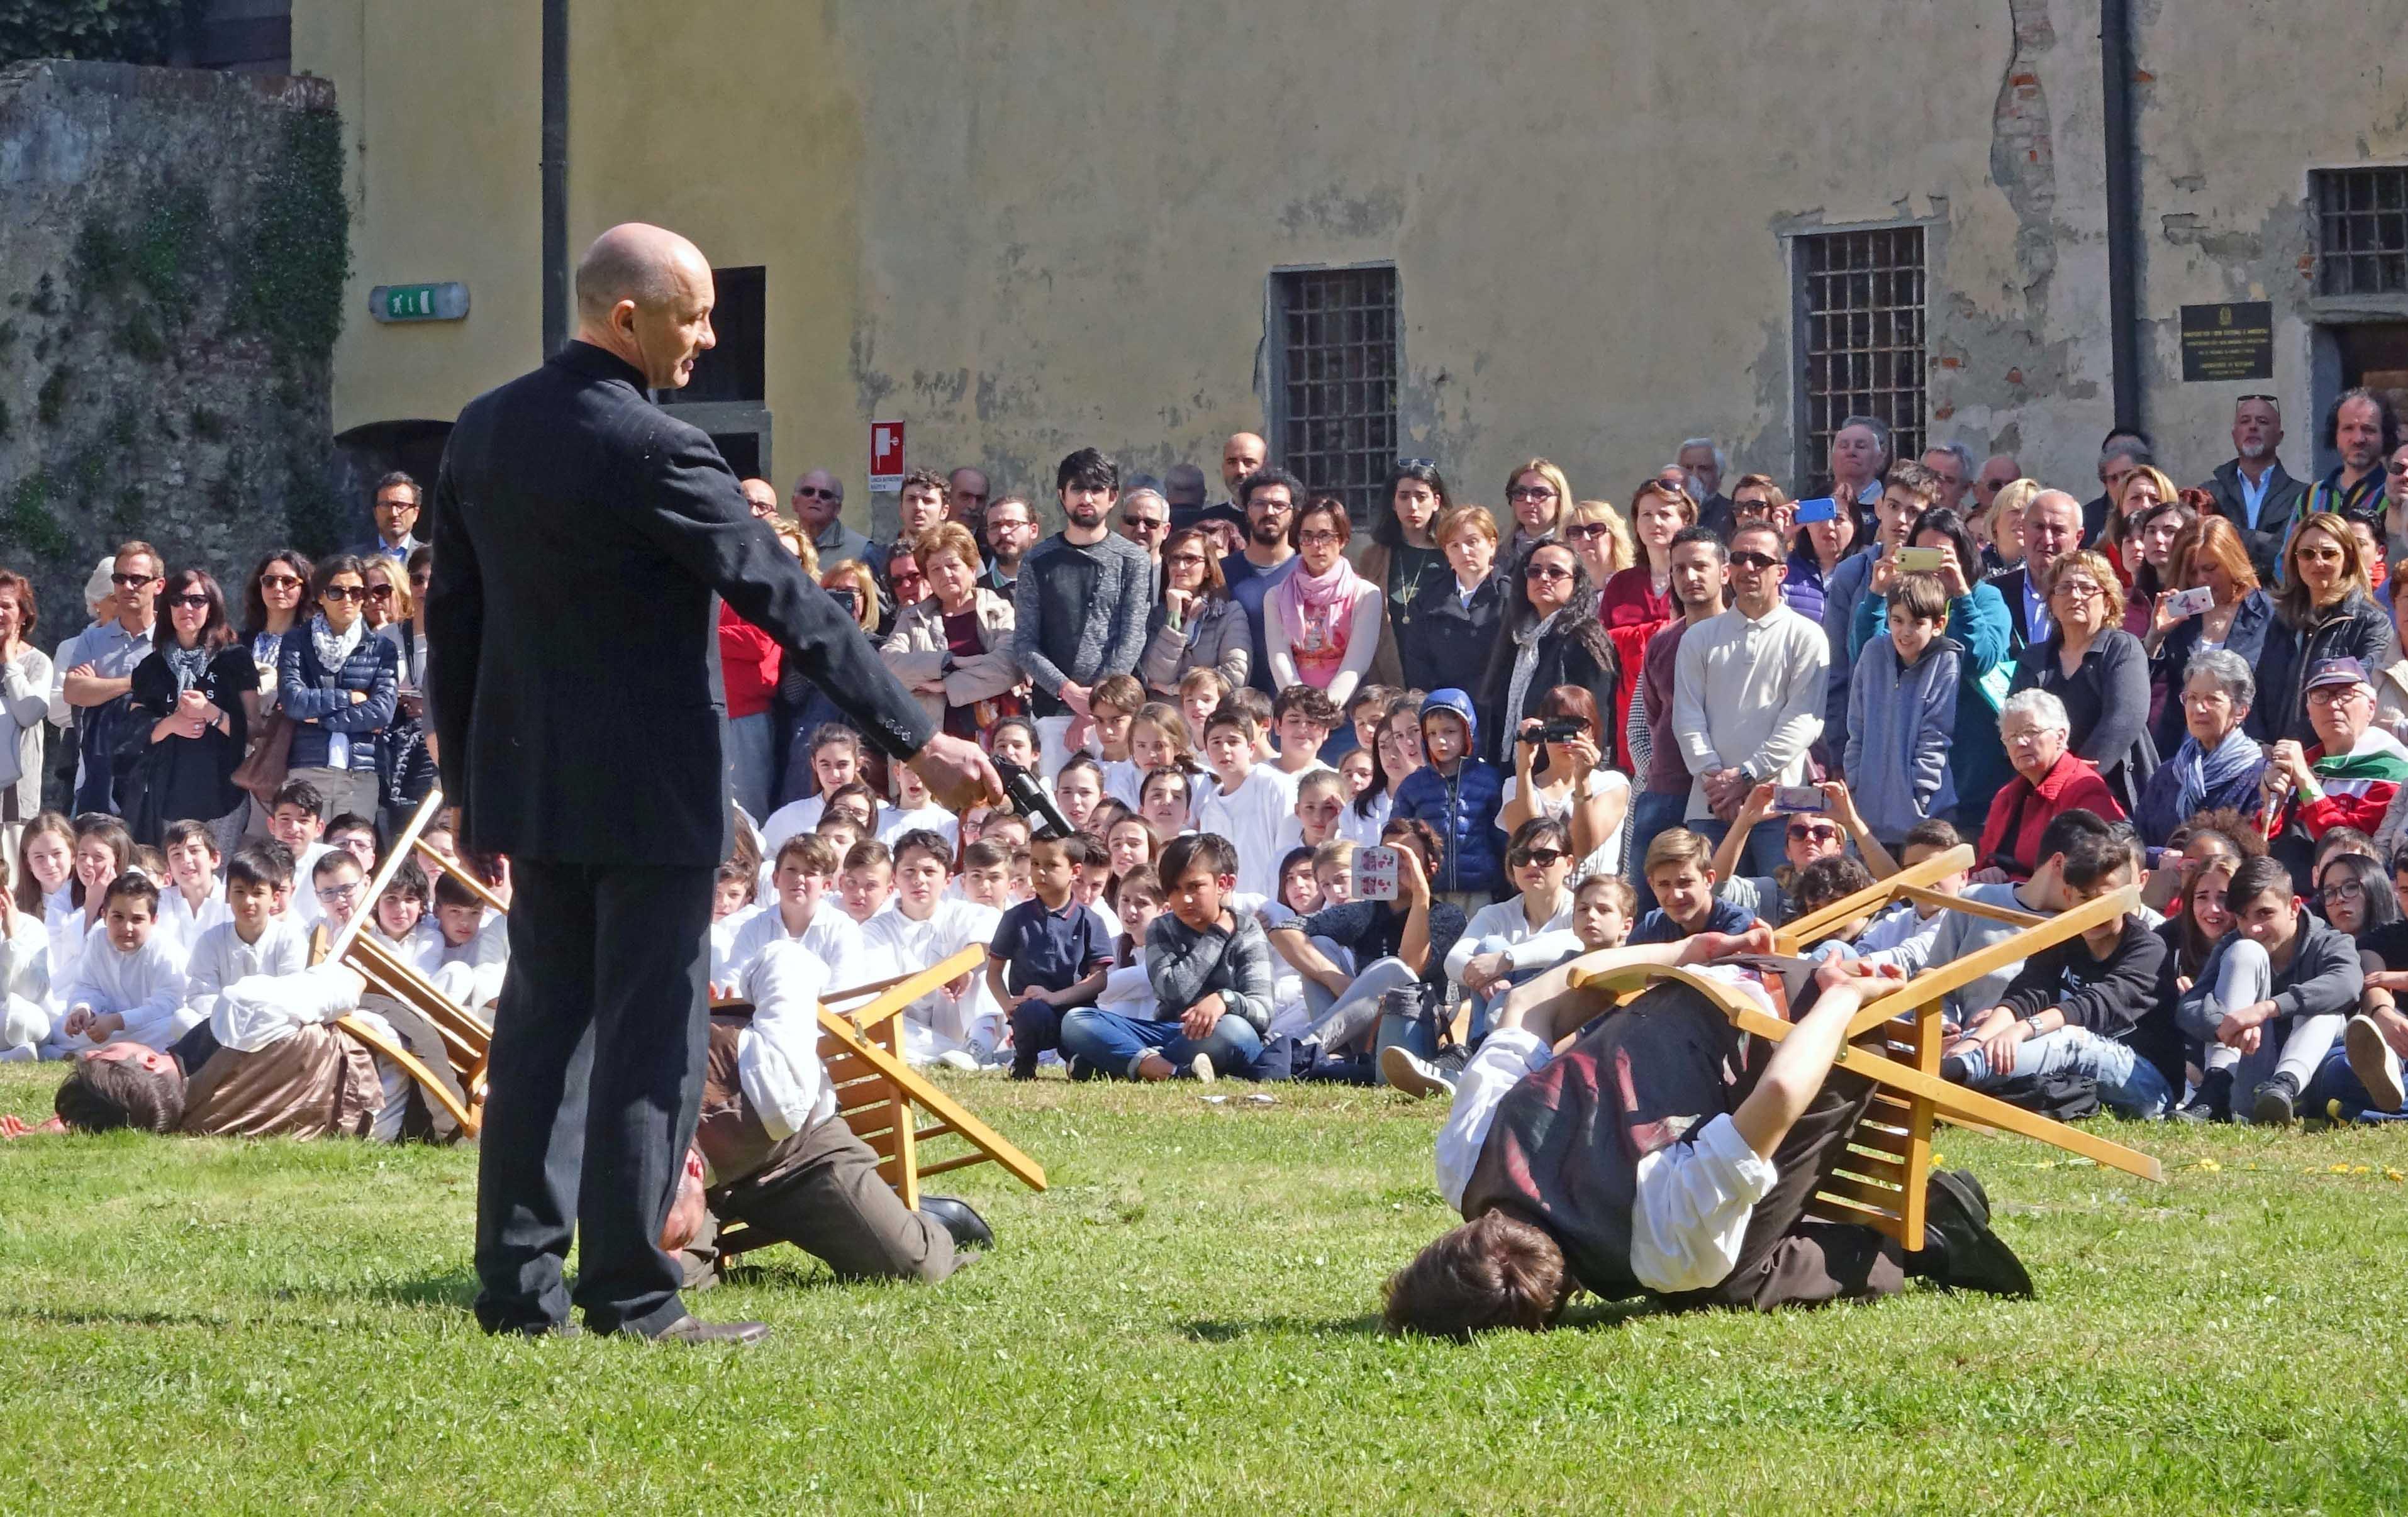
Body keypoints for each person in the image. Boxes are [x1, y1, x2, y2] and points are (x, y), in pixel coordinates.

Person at [427, 223, 999, 1345]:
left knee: (541, 1035)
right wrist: (913, 736)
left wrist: (466, 783)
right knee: (653, 1042)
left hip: (536, 791)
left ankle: (517, 1289)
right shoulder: (657, 449)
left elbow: (453, 623)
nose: (709, 333)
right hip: (649, 798)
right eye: (693, 313)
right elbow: (787, 599)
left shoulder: (484, 431)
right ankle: (635, 1292)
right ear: (626, 318)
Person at [1386, 948, 2029, 1337]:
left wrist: (1843, 1000)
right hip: (1716, 980)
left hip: (1820, 1030)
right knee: (1702, 1239)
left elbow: (1778, 1098)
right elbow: (1532, 1003)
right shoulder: (1466, 1161)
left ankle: (1904, 1245)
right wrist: (1684, 951)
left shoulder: (1660, 1245)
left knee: (1716, 1284)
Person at [683, 938, 988, 1285]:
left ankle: (924, 1217)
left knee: (913, 1267)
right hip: (700, 1180)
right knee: (663, 1283)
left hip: (799, 1156)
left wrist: (746, 991)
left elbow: (788, 959)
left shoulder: (778, 1087)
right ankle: (706, 1263)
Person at [1941, 830, 2175, 1118]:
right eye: (2084, 899)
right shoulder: (2063, 935)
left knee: (2071, 1039)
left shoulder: (2149, 948)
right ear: (2068, 896)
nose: (2094, 912)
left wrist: (2023, 1029)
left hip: (2149, 1084)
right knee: (1994, 1027)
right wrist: (1977, 1040)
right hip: (2080, 1071)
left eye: (2105, 901)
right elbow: (2027, 992)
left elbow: (2095, 1004)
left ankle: (1950, 1078)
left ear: (2127, 898)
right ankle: (1960, 1065)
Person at [1672, 521, 1827, 877]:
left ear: (1782, 572)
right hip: (1709, 806)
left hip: (1782, 807)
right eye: (1740, 558)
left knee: (1782, 909)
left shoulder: (1807, 636)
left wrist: (1746, 775)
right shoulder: (1698, 638)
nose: (1749, 568)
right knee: (1711, 910)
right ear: (1727, 570)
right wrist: (1718, 781)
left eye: (1760, 559)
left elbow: (1803, 721)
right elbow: (1687, 718)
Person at [1846, 507, 2014, 831]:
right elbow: (1867, 655)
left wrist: (1962, 594)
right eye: (1923, 555)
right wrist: (1877, 594)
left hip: (1968, 764)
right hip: (1899, 768)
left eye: (1941, 556)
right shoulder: (1902, 604)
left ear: (1963, 555)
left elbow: (1980, 660)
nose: (1933, 566)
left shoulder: (1985, 597)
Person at [1060, 831, 1271, 1082]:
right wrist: (1216, 937)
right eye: (1175, 890)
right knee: (1077, 1019)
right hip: (1170, 1032)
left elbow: (1263, 1012)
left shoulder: (1247, 929)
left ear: (1223, 884)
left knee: (1235, 1032)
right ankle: (1172, 1071)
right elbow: (1175, 993)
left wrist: (1225, 1001)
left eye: (1195, 887)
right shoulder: (1161, 929)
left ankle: (1127, 1064)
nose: (1185, 899)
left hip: (1222, 1034)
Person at [1269, 818, 1467, 1077]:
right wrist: (1335, 978)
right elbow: (1284, 932)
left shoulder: (1448, 916)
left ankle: (1306, 1046)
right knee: (1319, 945)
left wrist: (1421, 894)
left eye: (1404, 858)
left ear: (1429, 868)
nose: (1394, 866)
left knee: (1394, 969)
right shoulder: (1367, 911)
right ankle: (1334, 1054)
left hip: (1411, 1028)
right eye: (1388, 856)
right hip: (1360, 1028)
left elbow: (1410, 967)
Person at [2177, 854, 2362, 1125]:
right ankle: (2213, 1092)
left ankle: (2283, 1086)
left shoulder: (2329, 942)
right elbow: (2188, 1008)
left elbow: (2348, 983)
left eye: (2265, 913)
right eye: (2243, 917)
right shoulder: (2235, 943)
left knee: (2326, 1012)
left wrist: (2266, 1009)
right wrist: (2227, 1025)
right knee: (2244, 952)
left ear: (2294, 907)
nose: (2253, 928)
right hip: (2243, 1076)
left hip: (2311, 1084)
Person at [1010, 448, 1156, 774]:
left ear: (1113, 497)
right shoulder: (1038, 561)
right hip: (1053, 713)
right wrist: (1067, 691)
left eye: (1096, 489)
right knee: (1059, 812)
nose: (1087, 498)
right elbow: (1025, 644)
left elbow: (1132, 638)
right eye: (1077, 488)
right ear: (1062, 496)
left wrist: (1093, 709)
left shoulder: (1133, 559)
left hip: (1117, 717)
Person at [2007, 549, 2154, 814]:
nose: (2075, 595)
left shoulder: (2122, 648)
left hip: (2111, 795)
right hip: (2042, 796)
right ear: (2051, 602)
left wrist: (2069, 781)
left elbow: (2124, 719)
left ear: (2108, 602)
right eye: (2064, 588)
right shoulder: (2033, 658)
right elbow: (2013, 723)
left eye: (2087, 588)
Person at [1627, 528, 1728, 908]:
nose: (1690, 577)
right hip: (1664, 790)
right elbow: (1650, 716)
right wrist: (1651, 769)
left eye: (1701, 566)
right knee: (1645, 908)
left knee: (1711, 904)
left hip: (1720, 794)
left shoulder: (1743, 637)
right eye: (1680, 568)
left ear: (1724, 572)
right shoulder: (1662, 641)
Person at [128, 566, 257, 857]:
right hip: (168, 799)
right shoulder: (152, 666)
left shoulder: (235, 659)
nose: (187, 607)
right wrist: (172, 724)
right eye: (177, 600)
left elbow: (254, 728)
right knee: (175, 885)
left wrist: (212, 713)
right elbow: (133, 731)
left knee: (216, 886)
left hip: (225, 798)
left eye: (197, 600)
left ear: (212, 607)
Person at [1819, 461, 1939, 756]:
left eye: (1914, 513)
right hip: (1865, 731)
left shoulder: (1940, 575)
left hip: (1924, 730)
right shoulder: (1851, 573)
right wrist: (1837, 749)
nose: (1901, 520)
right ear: (1879, 506)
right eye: (1894, 506)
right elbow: (1837, 667)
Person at [2260, 658, 2408, 889]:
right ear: (2309, 711)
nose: (2333, 705)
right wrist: (2272, 806)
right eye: (2320, 696)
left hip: (2353, 897)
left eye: (2345, 694)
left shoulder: (2391, 770)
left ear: (2371, 706)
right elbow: (2260, 845)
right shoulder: (2302, 763)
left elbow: (2353, 849)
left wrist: (2305, 780)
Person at [276, 555, 399, 825]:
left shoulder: (382, 649)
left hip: (361, 773)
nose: (347, 600)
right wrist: (350, 698)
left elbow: (380, 713)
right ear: (321, 596)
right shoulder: (296, 641)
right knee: (303, 856)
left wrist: (319, 717)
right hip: (307, 768)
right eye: (337, 591)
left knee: (351, 857)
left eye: (356, 592)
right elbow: (294, 701)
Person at [2253, 511, 2395, 747]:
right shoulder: (2282, 619)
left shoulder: (2372, 622)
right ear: (2295, 560)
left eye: (2329, 554)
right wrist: (2261, 744)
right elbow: (2258, 691)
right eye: (2307, 554)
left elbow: (2354, 696)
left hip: (2332, 760)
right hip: (2273, 757)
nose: (2318, 562)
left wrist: (2296, 746)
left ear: (2348, 559)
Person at [2144, 516, 2275, 761]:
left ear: (2231, 561)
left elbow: (2277, 694)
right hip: (2179, 751)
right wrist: (2156, 636)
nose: (2202, 579)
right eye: (2193, 572)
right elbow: (2144, 685)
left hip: (2244, 751)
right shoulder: (2182, 613)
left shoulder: (2267, 614)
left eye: (2211, 568)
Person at [1479, 539, 1615, 771]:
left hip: (1563, 776)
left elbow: (1597, 719)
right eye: (1534, 572)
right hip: (1512, 772)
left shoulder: (1586, 639)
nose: (1543, 578)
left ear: (1577, 582)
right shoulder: (1516, 638)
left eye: (1555, 572)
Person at [879, 522, 1021, 743]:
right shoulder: (912, 618)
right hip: (931, 742)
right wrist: (947, 663)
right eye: (935, 569)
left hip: (995, 741)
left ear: (972, 569)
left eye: (953, 565)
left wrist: (946, 686)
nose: (945, 574)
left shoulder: (999, 610)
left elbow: (1010, 665)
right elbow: (889, 666)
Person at [987, 831, 1113, 1079]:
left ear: (1075, 871)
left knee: (1084, 1029)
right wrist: (1007, 1004)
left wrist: (1055, 998)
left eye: (1052, 865)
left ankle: (1077, 1060)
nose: (1040, 872)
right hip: (1032, 1009)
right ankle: (1025, 1060)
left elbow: (1099, 978)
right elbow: (994, 972)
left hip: (1076, 1009)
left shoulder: (1090, 921)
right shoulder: (1016, 918)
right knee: (1033, 1013)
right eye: (1035, 863)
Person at [1845, 575, 1959, 847]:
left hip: (1924, 818)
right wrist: (1855, 784)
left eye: (1917, 623)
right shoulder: (1872, 653)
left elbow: (1935, 735)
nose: (1906, 632)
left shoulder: (1946, 661)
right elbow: (1856, 727)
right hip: (1869, 816)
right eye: (1898, 621)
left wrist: (1921, 796)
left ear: (1938, 624)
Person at [52, 540, 163, 816]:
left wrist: (100, 687)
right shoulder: (93, 638)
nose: (128, 586)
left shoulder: (170, 640)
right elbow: (74, 692)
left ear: (158, 586)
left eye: (137, 579)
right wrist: (135, 684)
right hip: (98, 778)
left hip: (155, 781)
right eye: (120, 578)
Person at [1445, 816, 1575, 1040]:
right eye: (1521, 856)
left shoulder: (1580, 910)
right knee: (1489, 945)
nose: (1532, 865)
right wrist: (1490, 978)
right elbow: (1453, 960)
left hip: (1558, 1028)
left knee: (1492, 947)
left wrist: (1504, 960)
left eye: (1545, 856)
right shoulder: (1495, 914)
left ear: (1569, 864)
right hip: (1497, 1024)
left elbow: (1576, 942)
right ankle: (1487, 1041)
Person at [1978, 691, 2125, 879]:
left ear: (2061, 737)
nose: (2020, 742)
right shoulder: (2006, 797)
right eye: (2011, 737)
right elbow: (1983, 862)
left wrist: (2012, 885)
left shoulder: (2084, 790)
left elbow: (2088, 877)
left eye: (2031, 732)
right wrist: (1985, 874)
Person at [1602, 478, 1693, 773]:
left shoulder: (1695, 579)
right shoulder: (1621, 583)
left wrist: (1631, 637)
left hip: (1679, 699)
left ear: (1685, 520)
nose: (1655, 522)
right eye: (1646, 514)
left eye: (1665, 514)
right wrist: (1659, 630)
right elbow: (1602, 645)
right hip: (1626, 703)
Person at [2133, 651, 2269, 847]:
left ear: (2241, 711)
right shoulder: (2168, 774)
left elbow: (2252, 852)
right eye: (2192, 698)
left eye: (2212, 699)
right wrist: (2159, 858)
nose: (2198, 708)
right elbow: (2137, 841)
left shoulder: (2260, 779)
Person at [47, 871, 191, 1057]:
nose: (127, 928)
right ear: (104, 915)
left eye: (137, 919)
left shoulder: (166, 950)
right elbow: (87, 987)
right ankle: (99, 1051)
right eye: (118, 917)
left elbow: (167, 1005)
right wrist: (82, 1009)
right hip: (107, 1022)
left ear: (154, 920)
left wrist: (117, 1021)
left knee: (176, 1029)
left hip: (149, 1026)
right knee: (62, 1027)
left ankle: (73, 1054)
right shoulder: (99, 940)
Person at [1498, 684, 1627, 883]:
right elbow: (1528, 839)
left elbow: (1582, 848)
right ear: (1543, 731)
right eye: (1557, 726)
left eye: (1577, 726)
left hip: (1594, 903)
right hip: (1541, 904)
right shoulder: (1516, 786)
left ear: (1593, 732)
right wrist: (1524, 765)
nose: (1567, 738)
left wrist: (1582, 780)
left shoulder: (1612, 784)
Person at [1390, 689, 1505, 909]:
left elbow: (1502, 837)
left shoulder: (1490, 780)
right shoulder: (1412, 786)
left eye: (1449, 731)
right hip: (1429, 891)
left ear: (1468, 732)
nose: (1440, 740)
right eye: (1431, 734)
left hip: (1480, 889)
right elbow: (1396, 838)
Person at [1266, 497, 1383, 709]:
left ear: (1343, 540)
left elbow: (1356, 664)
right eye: (1307, 537)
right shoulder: (1276, 596)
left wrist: (1326, 708)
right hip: (1294, 709)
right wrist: (1300, 707)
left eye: (1325, 536)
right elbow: (1279, 658)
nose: (1316, 546)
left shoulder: (1366, 594)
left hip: (1347, 710)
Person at [1354, 461, 1454, 691]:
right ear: (1393, 502)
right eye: (1404, 496)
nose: (1413, 506)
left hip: (1442, 675)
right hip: (1389, 675)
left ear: (1436, 502)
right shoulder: (1375, 555)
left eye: (1421, 497)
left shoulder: (1452, 553)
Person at [1398, 504, 1504, 700]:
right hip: (1445, 711)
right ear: (1446, 553)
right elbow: (1418, 662)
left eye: (1472, 542)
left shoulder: (1510, 596)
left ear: (1491, 545)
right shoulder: (1429, 598)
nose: (1464, 552)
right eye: (1454, 545)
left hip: (1497, 711)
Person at [2195, 397, 2305, 581]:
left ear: (2280, 436)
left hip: (2279, 601)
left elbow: (2290, 552)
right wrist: (2265, 542)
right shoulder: (2208, 494)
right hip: (2222, 598)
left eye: (2263, 422)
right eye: (2245, 421)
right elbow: (2201, 550)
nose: (2253, 427)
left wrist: (2229, 536)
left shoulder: (2302, 496)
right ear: (2234, 434)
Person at [1218, 466, 1303, 696]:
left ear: (1294, 512)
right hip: (1236, 703)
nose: (1270, 512)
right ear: (1246, 511)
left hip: (1296, 703)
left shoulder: (1309, 572)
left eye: (1279, 505)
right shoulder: (1221, 574)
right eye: (1260, 504)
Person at [1193, 704, 1292, 899]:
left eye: (1233, 741)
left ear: (1251, 747)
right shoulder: (1210, 808)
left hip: (1275, 905)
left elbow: (1289, 851)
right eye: (1216, 742)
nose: (1225, 749)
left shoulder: (1274, 785)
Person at [1141, 527, 1249, 697]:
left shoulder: (1229, 613)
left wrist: (1174, 689)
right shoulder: (1157, 615)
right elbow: (1156, 676)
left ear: (1208, 568)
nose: (1180, 566)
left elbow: (1234, 677)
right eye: (1174, 559)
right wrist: (1173, 617)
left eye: (1190, 559)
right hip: (1166, 718)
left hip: (1211, 717)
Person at [1, 571, 54, 869]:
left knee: (12, 881)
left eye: (7, 605)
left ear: (23, 615)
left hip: (14, 798)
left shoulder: (37, 663)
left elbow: (29, 712)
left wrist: (10, 661)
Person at [1992, 489, 2085, 657]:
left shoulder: (2091, 598)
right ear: (2024, 530)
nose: (2047, 539)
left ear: (2078, 538)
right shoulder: (1996, 592)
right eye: (2039, 527)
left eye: (2058, 530)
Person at [2294, 387, 2399, 533]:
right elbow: (2288, 553)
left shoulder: (2395, 494)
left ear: (2385, 435)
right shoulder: (2311, 496)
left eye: (2369, 429)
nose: (2358, 439)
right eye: (2348, 428)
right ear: (2335, 434)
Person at [1629, 828, 1759, 943]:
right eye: (1664, 885)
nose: (1676, 895)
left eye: (1685, 883)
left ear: (1708, 879)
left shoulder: (1739, 925)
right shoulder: (1652, 927)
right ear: (1652, 886)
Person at [2082, 431, 2154, 545]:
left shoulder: (2160, 512)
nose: (2121, 484)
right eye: (2113, 478)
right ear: (2105, 483)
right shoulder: (2086, 519)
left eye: (2127, 475)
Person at [791, 469, 871, 569]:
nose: (816, 498)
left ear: (837, 508)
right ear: (794, 503)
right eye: (808, 492)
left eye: (825, 495)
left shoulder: (862, 550)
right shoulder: (781, 543)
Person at [1824, 414, 1891, 531]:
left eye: (1861, 447)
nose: (1851, 452)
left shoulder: (1891, 503)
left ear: (1880, 456)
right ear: (1832, 456)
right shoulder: (1815, 500)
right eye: (1844, 446)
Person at [1502, 458, 1572, 560]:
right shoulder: (1497, 553)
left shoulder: (1576, 550)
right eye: (1521, 493)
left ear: (1559, 500)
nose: (1528, 500)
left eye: (1539, 493)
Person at [351, 471, 426, 563]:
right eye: (386, 505)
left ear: (415, 513)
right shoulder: (355, 559)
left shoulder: (430, 559)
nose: (394, 513)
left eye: (401, 505)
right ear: (375, 513)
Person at [1675, 437, 1736, 537]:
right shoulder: (1665, 511)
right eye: (1688, 468)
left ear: (1718, 478)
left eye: (1704, 469)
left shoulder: (1732, 516)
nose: (1695, 476)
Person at [978, 494, 1035, 597]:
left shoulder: (1058, 583)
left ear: (1033, 530)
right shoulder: (977, 594)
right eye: (994, 526)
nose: (1003, 532)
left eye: (1012, 524)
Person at [1213, 431, 1268, 516]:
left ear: (1265, 467)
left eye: (1249, 462)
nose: (1240, 471)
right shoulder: (1206, 524)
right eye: (1232, 462)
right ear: (1223, 467)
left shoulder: (1286, 522)